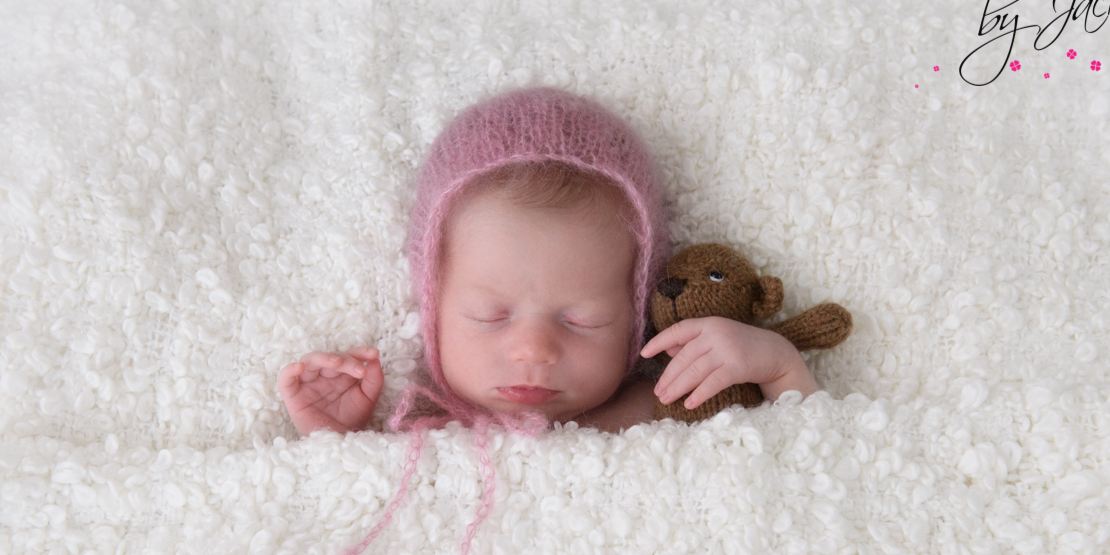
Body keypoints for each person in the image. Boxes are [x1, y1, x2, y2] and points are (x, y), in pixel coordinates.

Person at [278, 87, 817, 437]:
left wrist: (778, 367)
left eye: (582, 320)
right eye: (490, 314)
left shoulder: (666, 411)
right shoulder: (427, 434)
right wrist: (331, 438)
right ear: (432, 304)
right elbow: (354, 512)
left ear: (636, 318)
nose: (534, 348)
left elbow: (809, 461)